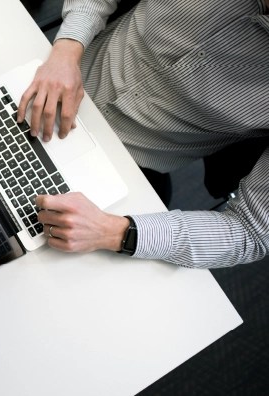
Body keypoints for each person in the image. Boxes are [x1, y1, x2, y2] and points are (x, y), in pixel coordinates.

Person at [17, 0, 269, 268]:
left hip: (124, 168)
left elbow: (250, 232)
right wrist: (67, 49)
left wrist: (114, 232)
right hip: (52, 74)